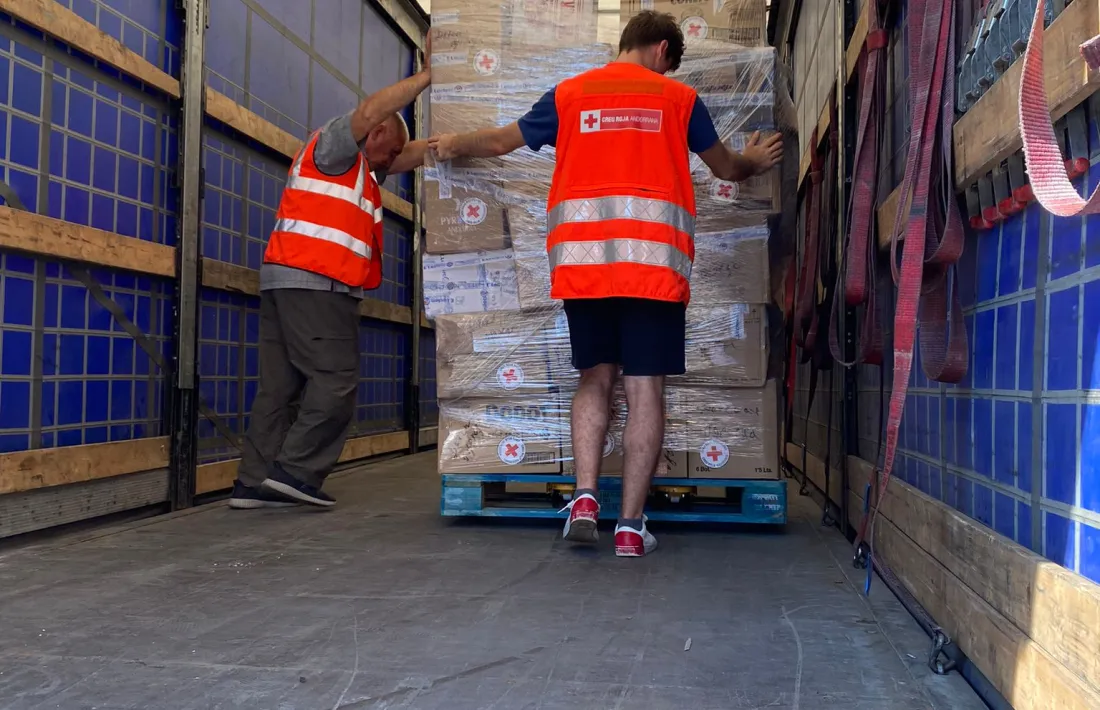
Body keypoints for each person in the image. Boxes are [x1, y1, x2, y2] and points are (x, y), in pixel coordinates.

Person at [429, 11, 782, 556]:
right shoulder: (678, 101)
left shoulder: (570, 95)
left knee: (595, 377)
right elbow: (726, 168)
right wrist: (755, 159)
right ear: (664, 49)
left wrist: (452, 143)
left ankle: (587, 496)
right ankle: (629, 528)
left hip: (585, 267)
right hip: (652, 269)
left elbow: (501, 142)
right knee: (645, 389)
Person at [229, 39, 433, 510]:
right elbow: (370, 110)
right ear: (377, 133)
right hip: (317, 283)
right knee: (335, 380)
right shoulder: (339, 145)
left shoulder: (359, 167)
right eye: (390, 150)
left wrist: (453, 144)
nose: (391, 164)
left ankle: (253, 482)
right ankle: (296, 474)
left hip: (285, 279)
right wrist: (426, 78)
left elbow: (407, 153)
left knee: (278, 388)